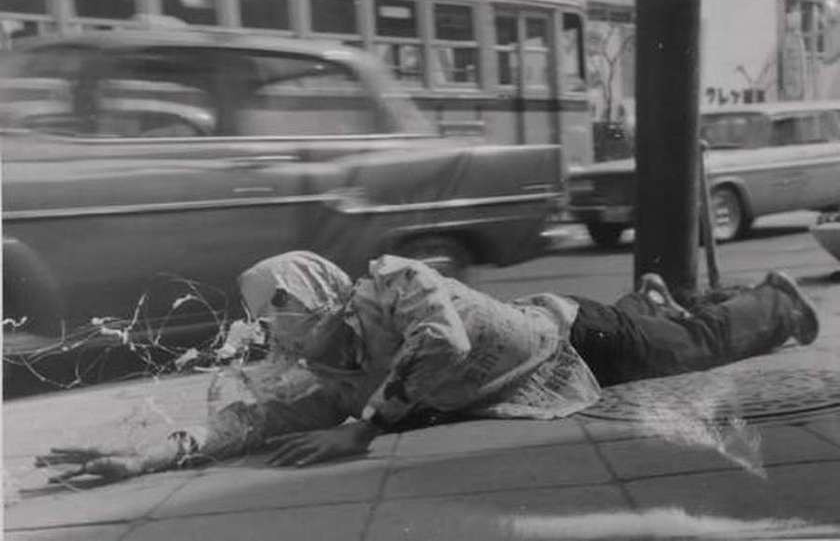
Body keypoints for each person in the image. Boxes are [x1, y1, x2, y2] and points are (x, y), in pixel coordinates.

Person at [36, 251, 819, 481]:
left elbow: (442, 343)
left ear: (319, 296)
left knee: (704, 347)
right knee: (676, 334)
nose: (278, 340)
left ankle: (777, 298)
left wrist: (365, 430)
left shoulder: (399, 284)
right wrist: (141, 460)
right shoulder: (324, 374)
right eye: (269, 327)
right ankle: (662, 300)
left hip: (574, 336)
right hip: (541, 364)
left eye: (284, 316)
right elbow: (251, 422)